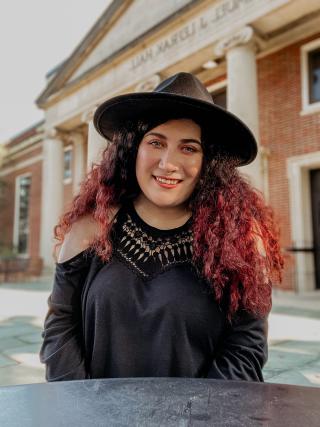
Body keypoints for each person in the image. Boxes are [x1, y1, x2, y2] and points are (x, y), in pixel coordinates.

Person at [40, 72, 283, 382]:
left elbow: (245, 349)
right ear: (133, 149)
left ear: (208, 161)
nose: (168, 163)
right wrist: (82, 409)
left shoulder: (240, 241)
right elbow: (60, 326)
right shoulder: (92, 229)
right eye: (156, 142)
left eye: (189, 148)